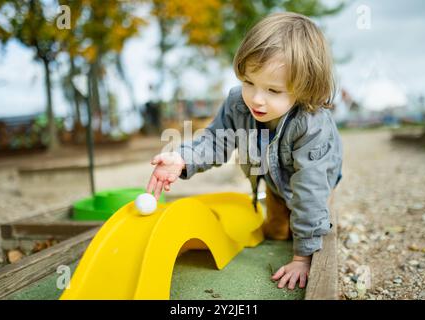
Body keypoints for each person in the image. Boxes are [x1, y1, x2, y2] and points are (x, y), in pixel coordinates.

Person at [146, 12, 343, 291]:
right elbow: (215, 141)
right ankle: (286, 219)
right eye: (249, 82)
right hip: (275, 183)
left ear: (304, 89)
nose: (257, 99)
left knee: (313, 219)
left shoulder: (312, 126)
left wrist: (302, 258)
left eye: (273, 90)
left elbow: (310, 190)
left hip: (314, 180)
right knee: (276, 232)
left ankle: (313, 234)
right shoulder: (238, 103)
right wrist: (181, 158)